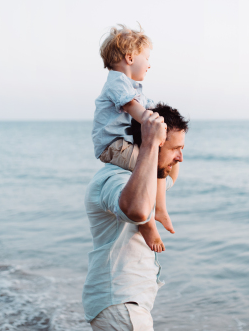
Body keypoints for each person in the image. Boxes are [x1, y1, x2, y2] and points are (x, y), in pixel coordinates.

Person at [83, 103, 189, 330]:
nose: (180, 158)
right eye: (174, 149)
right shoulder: (116, 178)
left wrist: (171, 146)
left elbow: (167, 177)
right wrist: (151, 142)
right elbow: (138, 211)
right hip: (121, 305)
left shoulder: (144, 181)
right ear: (153, 143)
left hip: (125, 305)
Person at [92, 24, 176, 253]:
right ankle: (147, 222)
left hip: (122, 144)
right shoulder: (117, 81)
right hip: (114, 146)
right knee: (145, 171)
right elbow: (134, 109)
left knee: (156, 163)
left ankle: (160, 209)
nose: (149, 64)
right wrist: (154, 126)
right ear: (130, 58)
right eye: (146, 58)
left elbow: (149, 108)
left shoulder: (133, 87)